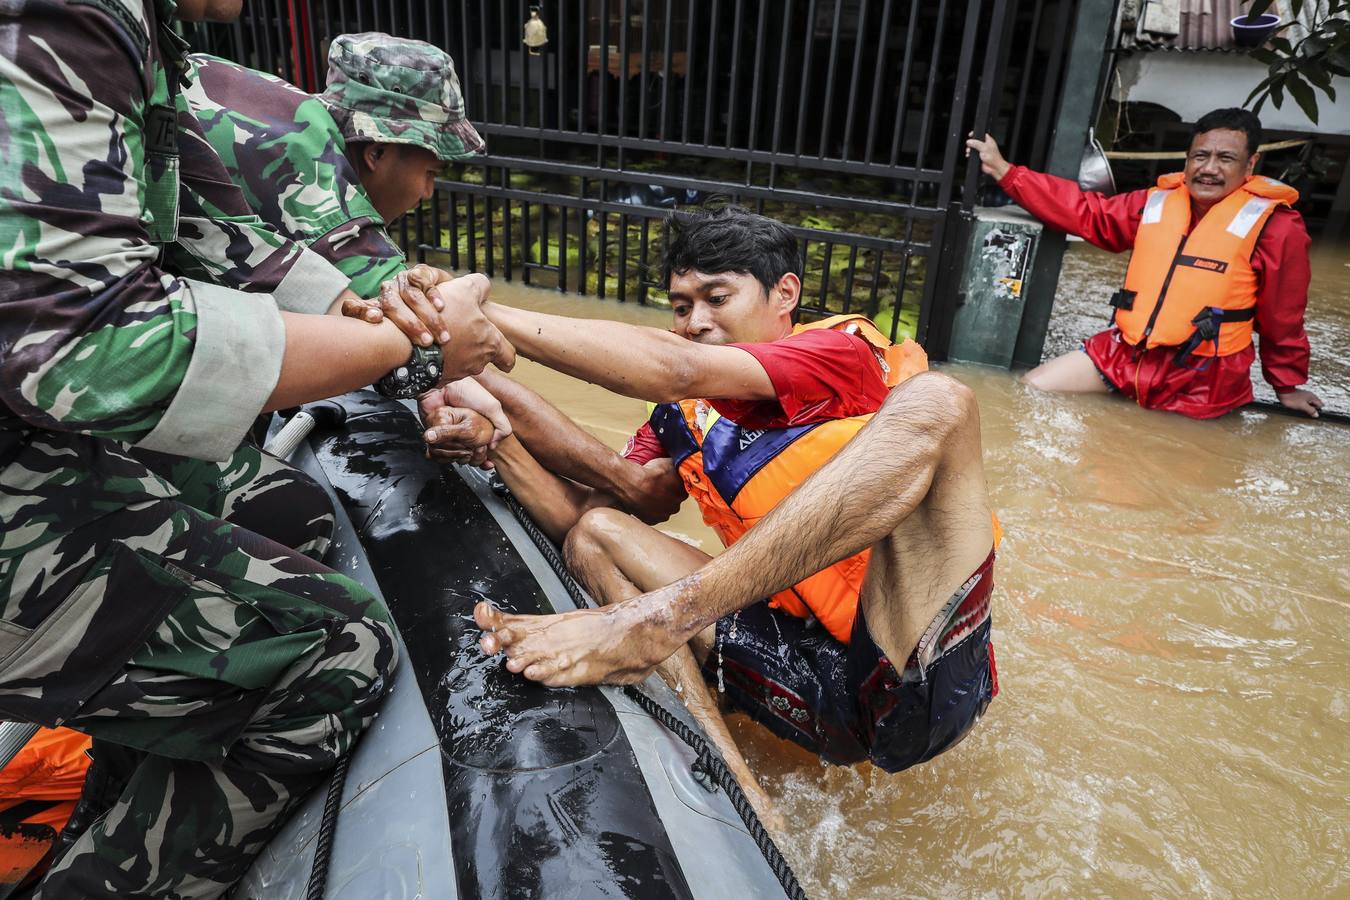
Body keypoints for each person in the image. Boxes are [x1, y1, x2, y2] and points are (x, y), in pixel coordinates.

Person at [0, 0, 519, 892]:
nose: (433, 188)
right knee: (343, 652)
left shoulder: (165, 50)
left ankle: (105, 793)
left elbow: (232, 245)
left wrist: (382, 314)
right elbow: (86, 351)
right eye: (430, 163)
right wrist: (419, 343)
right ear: (381, 148)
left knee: (285, 513)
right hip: (44, 434)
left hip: (45, 436)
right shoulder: (70, 16)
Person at [413, 207, 997, 797]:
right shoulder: (682, 418)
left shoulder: (838, 356)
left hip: (912, 669)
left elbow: (678, 369)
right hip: (804, 671)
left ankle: (654, 624)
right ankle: (733, 782)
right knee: (596, 532)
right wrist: (497, 438)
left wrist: (482, 317)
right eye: (681, 306)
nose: (696, 321)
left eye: (717, 298)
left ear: (785, 294)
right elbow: (604, 502)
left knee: (940, 401)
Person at [967, 108, 1323, 420]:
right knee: (1031, 388)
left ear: (1250, 165)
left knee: (1163, 461)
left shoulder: (1278, 227)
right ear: (1187, 159)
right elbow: (1087, 213)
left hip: (1204, 376)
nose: (1209, 169)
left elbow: (1283, 316)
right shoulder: (1155, 202)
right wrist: (1006, 171)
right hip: (1127, 352)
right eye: (1200, 156)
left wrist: (1287, 385)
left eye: (1225, 159)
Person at [184, 33, 484, 316]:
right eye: (430, 173)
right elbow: (428, 322)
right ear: (376, 154)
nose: (428, 192)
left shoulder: (285, 108)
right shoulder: (315, 174)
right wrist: (476, 286)